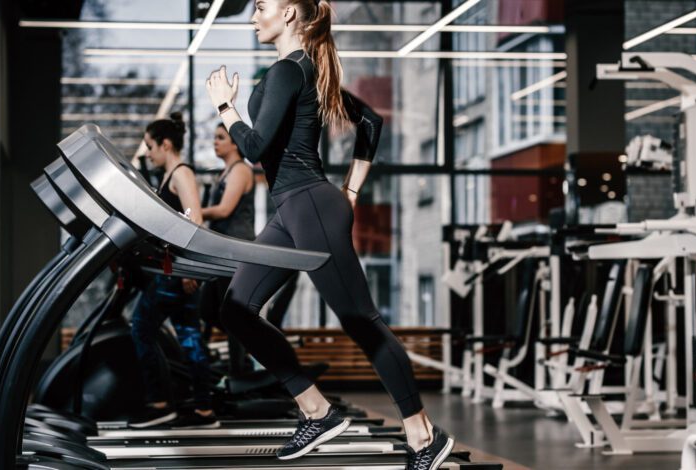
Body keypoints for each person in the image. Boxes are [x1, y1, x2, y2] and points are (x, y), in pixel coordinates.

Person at [204, 0, 454, 468]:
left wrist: (225, 105)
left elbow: (255, 148)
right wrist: (350, 191)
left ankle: (423, 435)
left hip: (310, 206)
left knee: (360, 319)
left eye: (261, 7)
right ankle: (315, 409)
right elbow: (370, 122)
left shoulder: (290, 71)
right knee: (236, 310)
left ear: (291, 14)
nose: (254, 16)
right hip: (293, 209)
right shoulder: (304, 70)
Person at [128, 112, 215, 428]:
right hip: (175, 270)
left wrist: (190, 268)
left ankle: (160, 403)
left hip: (176, 271)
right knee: (190, 337)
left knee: (140, 327)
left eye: (151, 146)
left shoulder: (181, 174)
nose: (148, 152)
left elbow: (195, 221)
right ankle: (204, 410)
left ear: (166, 144)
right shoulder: (169, 175)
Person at [199, 123, 256, 375]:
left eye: (221, 138)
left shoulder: (241, 170)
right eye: (214, 137)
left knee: (231, 314)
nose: (215, 142)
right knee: (207, 309)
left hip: (236, 251)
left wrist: (192, 212)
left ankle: (239, 370)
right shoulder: (225, 173)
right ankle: (247, 345)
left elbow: (224, 210)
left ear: (235, 144)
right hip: (221, 251)